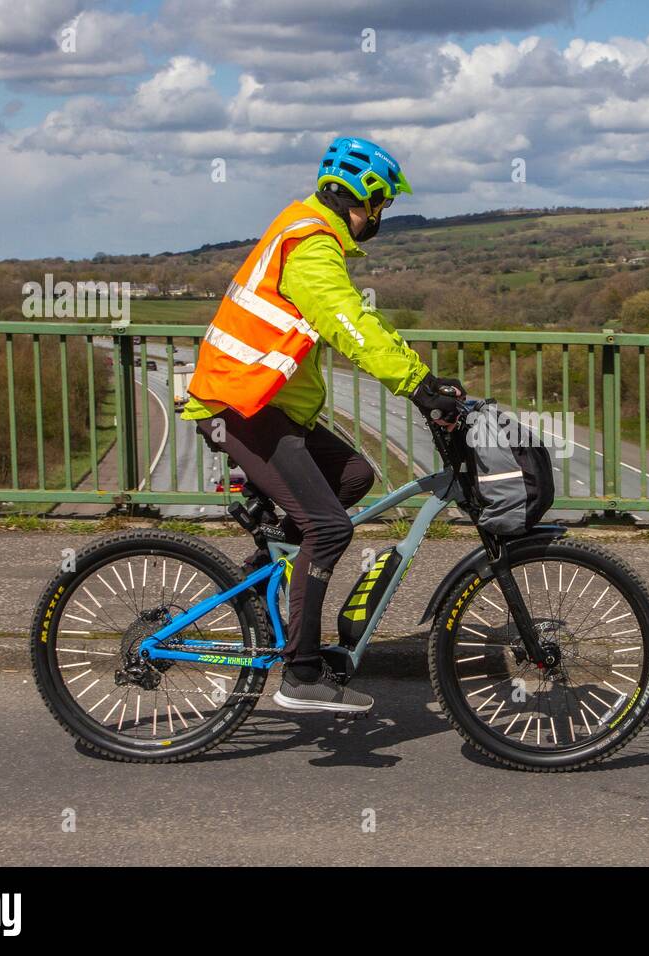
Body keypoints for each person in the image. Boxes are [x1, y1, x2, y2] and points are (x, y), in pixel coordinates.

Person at [180, 136, 464, 714]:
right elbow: (346, 321)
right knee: (331, 529)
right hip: (242, 406)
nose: (379, 218)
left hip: (266, 406)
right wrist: (417, 384)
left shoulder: (307, 229)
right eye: (380, 205)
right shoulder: (311, 243)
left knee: (355, 475)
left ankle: (264, 585)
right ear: (362, 197)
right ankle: (301, 674)